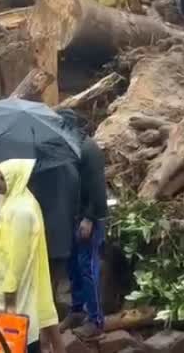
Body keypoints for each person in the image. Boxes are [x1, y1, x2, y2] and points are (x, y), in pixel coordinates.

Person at [0, 160, 63, 353]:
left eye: (1, 179)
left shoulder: (21, 211)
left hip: (12, 296)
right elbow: (7, 242)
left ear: (15, 179)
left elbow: (19, 257)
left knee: (16, 342)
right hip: (7, 292)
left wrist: (9, 294)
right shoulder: (15, 202)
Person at [62, 110, 107, 339]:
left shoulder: (89, 150)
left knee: (88, 267)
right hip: (74, 216)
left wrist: (89, 217)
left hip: (90, 218)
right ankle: (77, 309)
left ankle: (96, 320)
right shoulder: (71, 148)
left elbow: (98, 189)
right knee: (73, 266)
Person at [28, 155, 81, 319]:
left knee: (40, 278)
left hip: (43, 231)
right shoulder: (71, 165)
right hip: (64, 231)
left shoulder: (38, 169)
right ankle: (50, 312)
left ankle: (41, 319)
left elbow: (31, 198)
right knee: (53, 277)